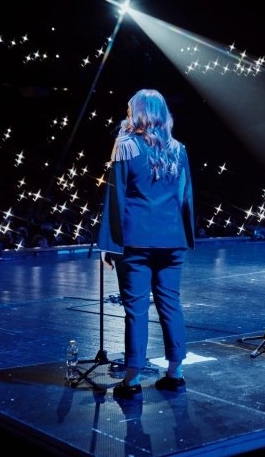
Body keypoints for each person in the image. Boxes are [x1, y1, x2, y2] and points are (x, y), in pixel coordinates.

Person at [96, 89, 195, 398]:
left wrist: (108, 243)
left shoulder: (126, 146)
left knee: (136, 310)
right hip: (172, 240)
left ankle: (132, 379)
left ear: (138, 112)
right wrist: (185, 235)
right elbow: (185, 197)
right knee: (171, 305)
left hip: (136, 241)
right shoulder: (178, 149)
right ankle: (175, 373)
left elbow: (116, 197)